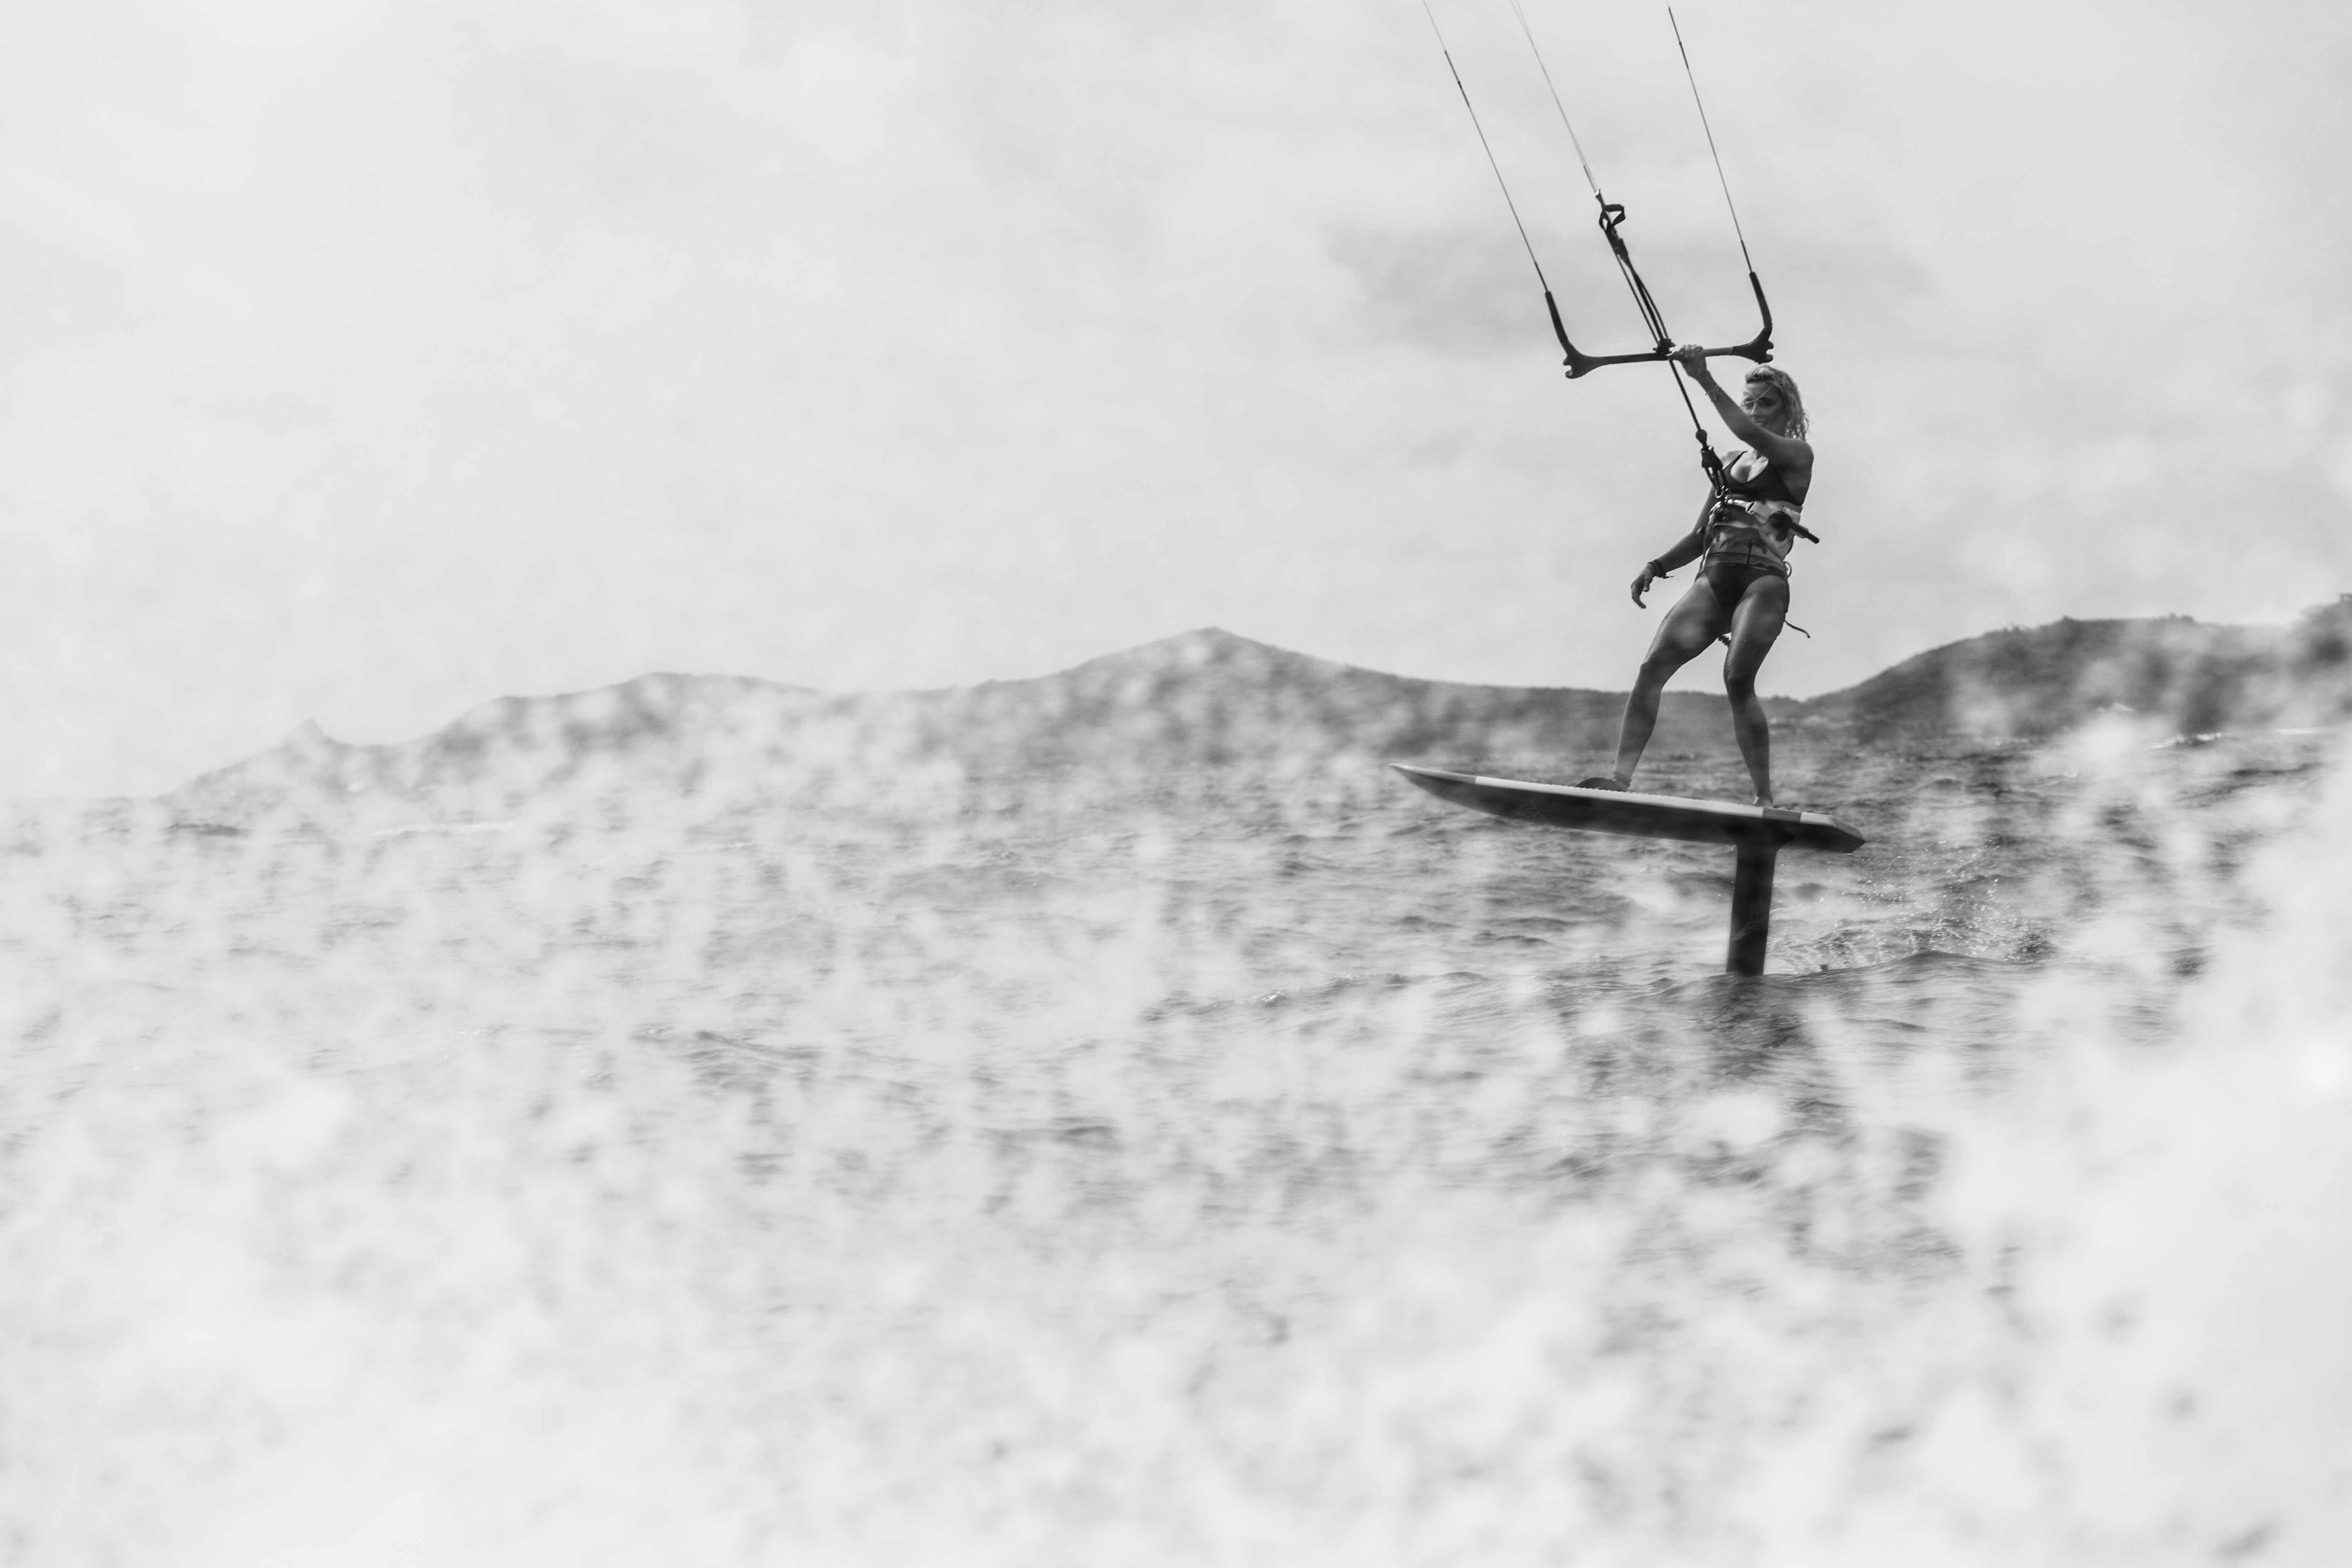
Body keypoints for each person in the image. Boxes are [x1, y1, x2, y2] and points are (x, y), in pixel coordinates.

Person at [1577, 346, 1813, 806]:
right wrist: (1657, 566)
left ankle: (1763, 798)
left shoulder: (1796, 456)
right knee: (1651, 670)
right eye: (1750, 402)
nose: (1755, 412)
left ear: (1789, 410)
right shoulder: (1728, 465)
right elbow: (1699, 535)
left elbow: (1747, 431)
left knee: (1737, 678)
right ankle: (1620, 779)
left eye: (1767, 403)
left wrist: (1704, 379)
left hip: (1761, 585)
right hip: (1714, 579)